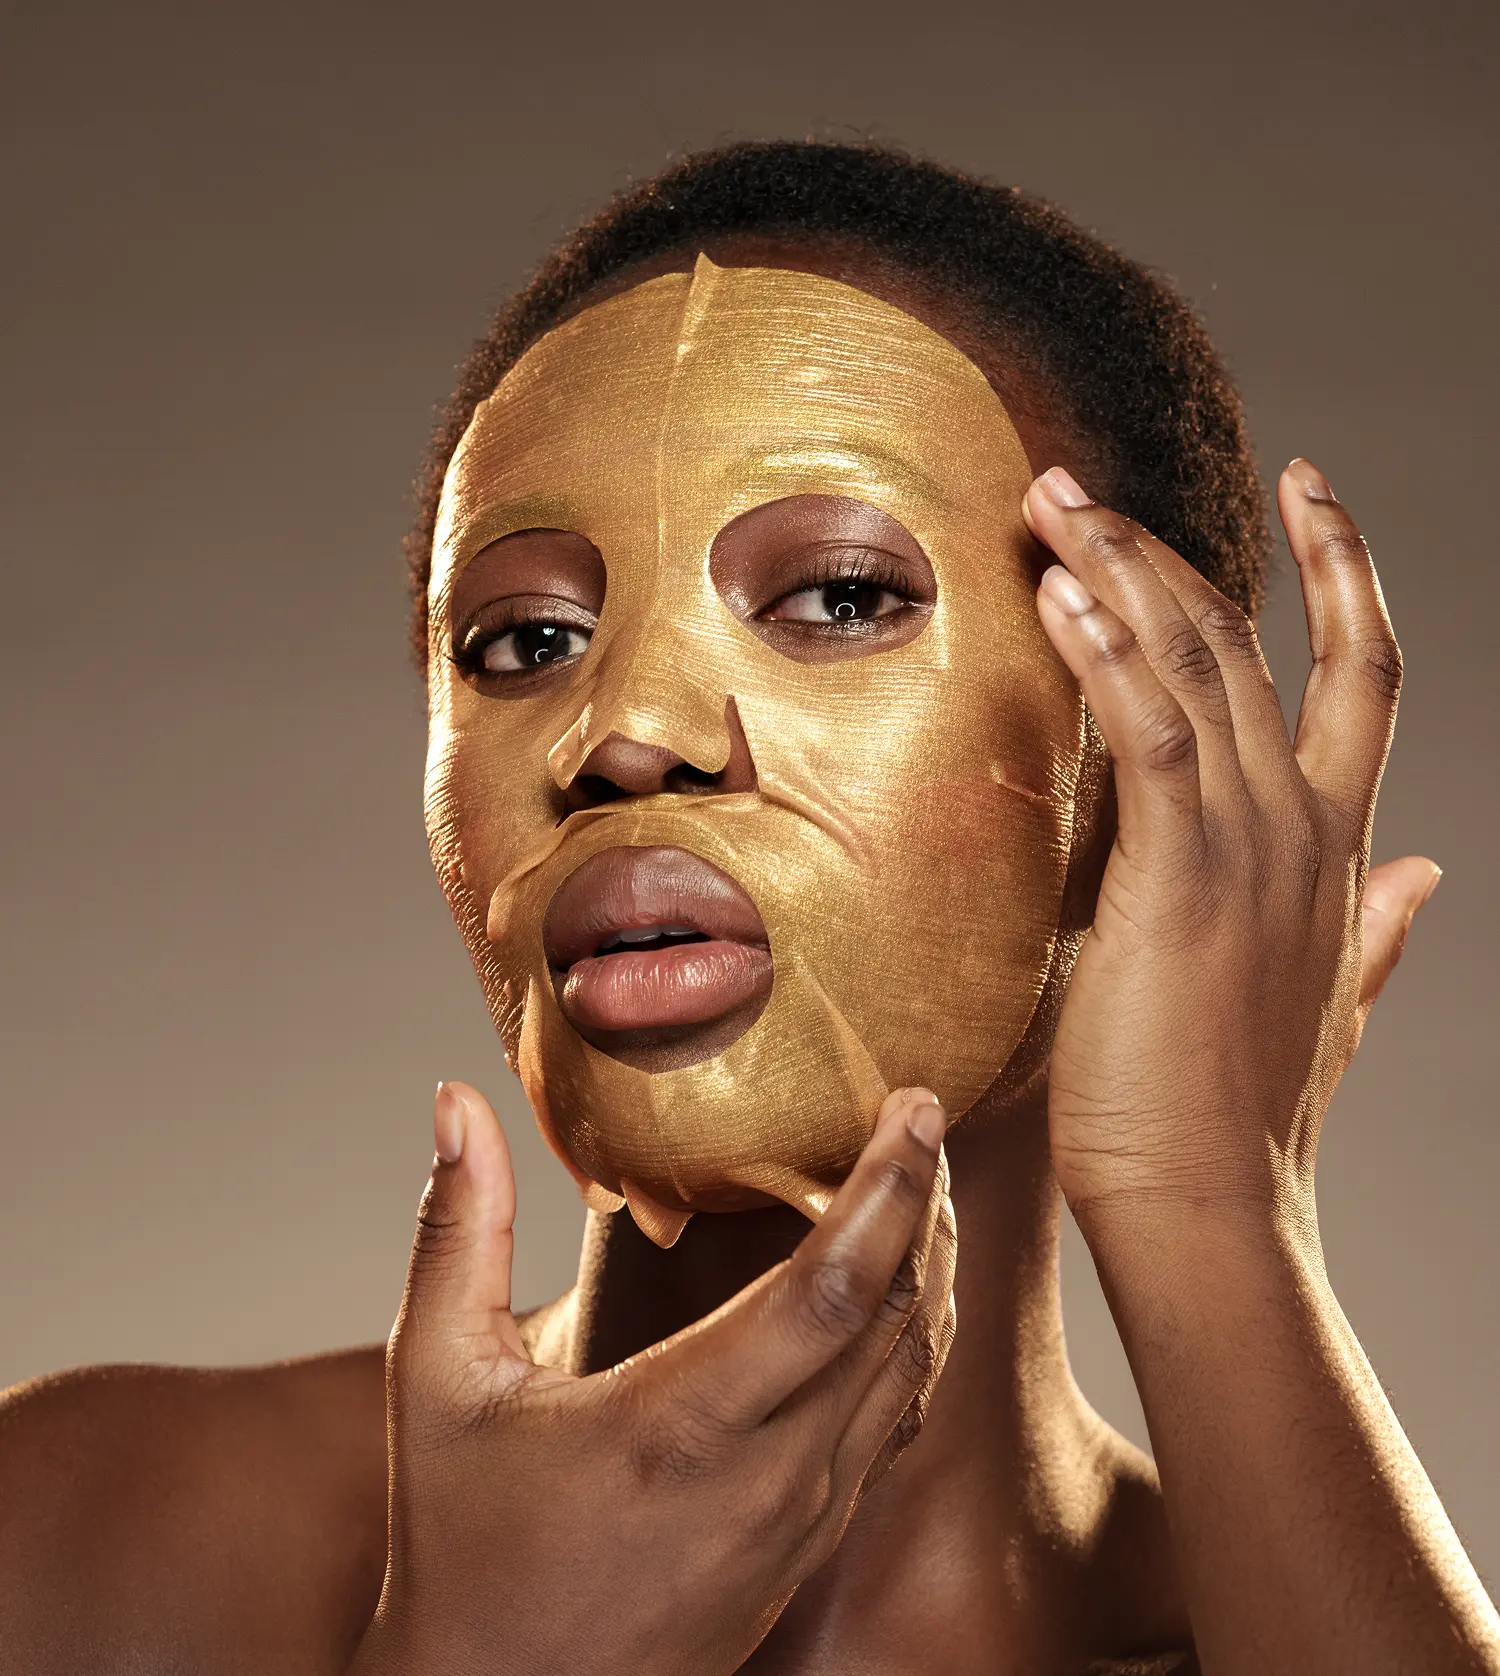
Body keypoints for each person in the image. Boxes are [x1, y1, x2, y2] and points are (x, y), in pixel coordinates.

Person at [1, 140, 1495, 1676]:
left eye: (841, 596)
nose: (626, 728)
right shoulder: (79, 1542)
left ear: (1170, 758)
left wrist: (1210, 1198)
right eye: (526, 638)